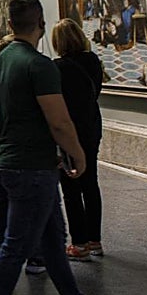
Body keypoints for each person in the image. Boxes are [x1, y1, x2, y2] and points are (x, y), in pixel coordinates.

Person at [0, 0, 119, 295]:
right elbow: (59, 120)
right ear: (40, 23)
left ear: (10, 25)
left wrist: (1, 146)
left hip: (14, 159)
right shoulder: (40, 65)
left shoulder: (0, 61)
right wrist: (78, 154)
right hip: (33, 165)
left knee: (53, 240)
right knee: (16, 244)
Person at [51, 19, 106, 260]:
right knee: (91, 183)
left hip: (69, 131)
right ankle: (95, 240)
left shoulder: (57, 68)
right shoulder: (93, 61)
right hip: (91, 126)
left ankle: (79, 243)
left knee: (71, 187)